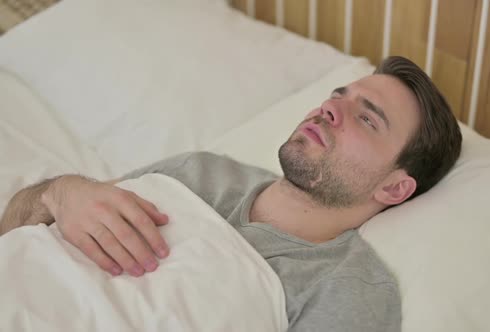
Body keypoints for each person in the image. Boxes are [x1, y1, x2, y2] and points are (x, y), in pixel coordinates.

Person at [0, 56, 462, 331]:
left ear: (395, 187)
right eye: (338, 95)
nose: (330, 109)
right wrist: (60, 194)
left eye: (368, 118)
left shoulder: (347, 288)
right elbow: (12, 234)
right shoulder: (198, 171)